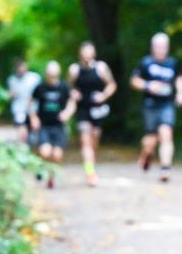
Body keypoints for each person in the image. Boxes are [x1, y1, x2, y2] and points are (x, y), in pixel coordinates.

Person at [130, 32, 182, 183]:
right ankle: (146, 154)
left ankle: (165, 168)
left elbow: (180, 78)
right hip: (150, 105)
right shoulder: (146, 63)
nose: (161, 49)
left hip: (167, 104)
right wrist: (148, 85)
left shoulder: (173, 63)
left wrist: (181, 93)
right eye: (158, 46)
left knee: (166, 133)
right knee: (151, 140)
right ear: (152, 47)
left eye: (163, 46)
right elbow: (134, 80)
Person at [68, 42, 117, 187]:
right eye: (85, 53)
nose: (87, 56)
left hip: (98, 109)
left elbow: (112, 84)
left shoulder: (101, 68)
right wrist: (73, 93)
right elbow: (69, 86)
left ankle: (91, 166)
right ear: (80, 54)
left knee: (94, 140)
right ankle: (90, 173)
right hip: (82, 109)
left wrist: (103, 96)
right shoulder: (74, 70)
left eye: (90, 53)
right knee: (85, 141)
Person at [29, 61, 77, 189]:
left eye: (54, 74)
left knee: (57, 155)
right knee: (45, 152)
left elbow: (72, 102)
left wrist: (67, 113)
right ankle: (40, 167)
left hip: (59, 126)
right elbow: (32, 102)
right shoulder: (40, 87)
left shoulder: (64, 87)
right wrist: (34, 118)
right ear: (46, 74)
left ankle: (51, 177)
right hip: (44, 125)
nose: (52, 77)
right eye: (50, 74)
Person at [7, 58, 40, 146]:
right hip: (19, 110)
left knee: (33, 135)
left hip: (33, 110)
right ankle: (22, 151)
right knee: (22, 133)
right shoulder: (12, 80)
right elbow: (9, 95)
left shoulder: (34, 78)